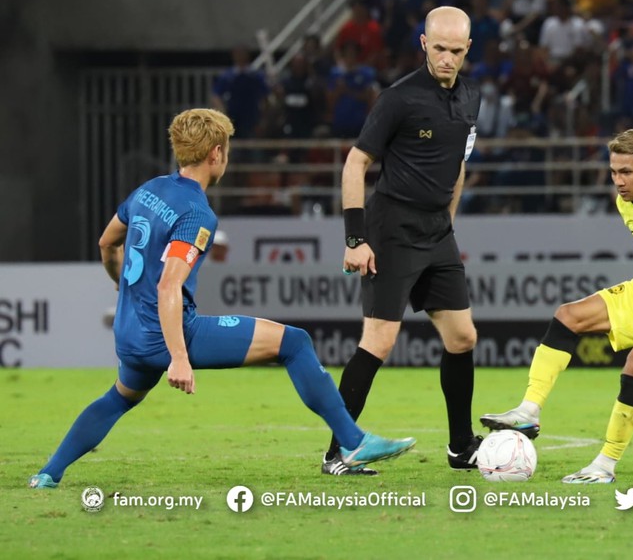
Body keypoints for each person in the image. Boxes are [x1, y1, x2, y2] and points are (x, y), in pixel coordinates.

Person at [28, 108, 414, 489]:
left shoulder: (148, 190)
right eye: (226, 149)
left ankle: (48, 472)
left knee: (118, 398)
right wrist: (179, 357)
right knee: (294, 342)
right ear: (216, 153)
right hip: (168, 334)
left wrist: (122, 285)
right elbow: (168, 286)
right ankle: (353, 442)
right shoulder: (197, 213)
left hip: (129, 333)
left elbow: (107, 242)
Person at [481, 129, 633, 484]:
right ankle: (528, 411)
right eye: (613, 172)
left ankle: (605, 465)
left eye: (626, 172)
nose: (618, 181)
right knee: (568, 316)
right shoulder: (626, 201)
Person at [324, 6, 482, 476]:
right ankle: (339, 451)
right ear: (423, 44)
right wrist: (355, 239)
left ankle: (460, 447)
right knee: (379, 340)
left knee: (462, 337)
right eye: (439, 49)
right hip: (390, 230)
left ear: (468, 49)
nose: (447, 59)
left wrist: (448, 224)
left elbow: (457, 165)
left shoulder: (471, 97)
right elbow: (355, 165)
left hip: (437, 233)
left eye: (456, 51)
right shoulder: (399, 98)